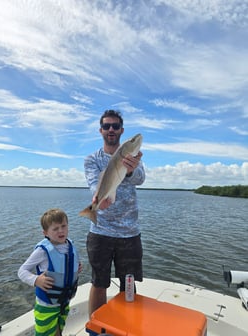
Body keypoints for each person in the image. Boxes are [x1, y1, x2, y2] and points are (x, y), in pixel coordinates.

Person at [84, 109, 145, 316]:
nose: (111, 129)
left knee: (128, 284)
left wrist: (130, 169)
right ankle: (96, 329)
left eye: (115, 126)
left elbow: (140, 179)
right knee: (98, 283)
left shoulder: (134, 157)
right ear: (101, 130)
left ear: (121, 130)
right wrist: (98, 200)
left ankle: (127, 327)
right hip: (100, 232)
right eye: (107, 126)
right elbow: (95, 184)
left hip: (129, 232)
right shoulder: (91, 159)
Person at [18, 208, 82, 336]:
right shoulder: (42, 251)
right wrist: (36, 280)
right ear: (45, 233)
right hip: (47, 304)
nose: (61, 230)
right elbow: (22, 271)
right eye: (55, 228)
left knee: (58, 330)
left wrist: (76, 268)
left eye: (63, 226)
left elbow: (67, 265)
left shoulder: (70, 245)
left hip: (64, 301)